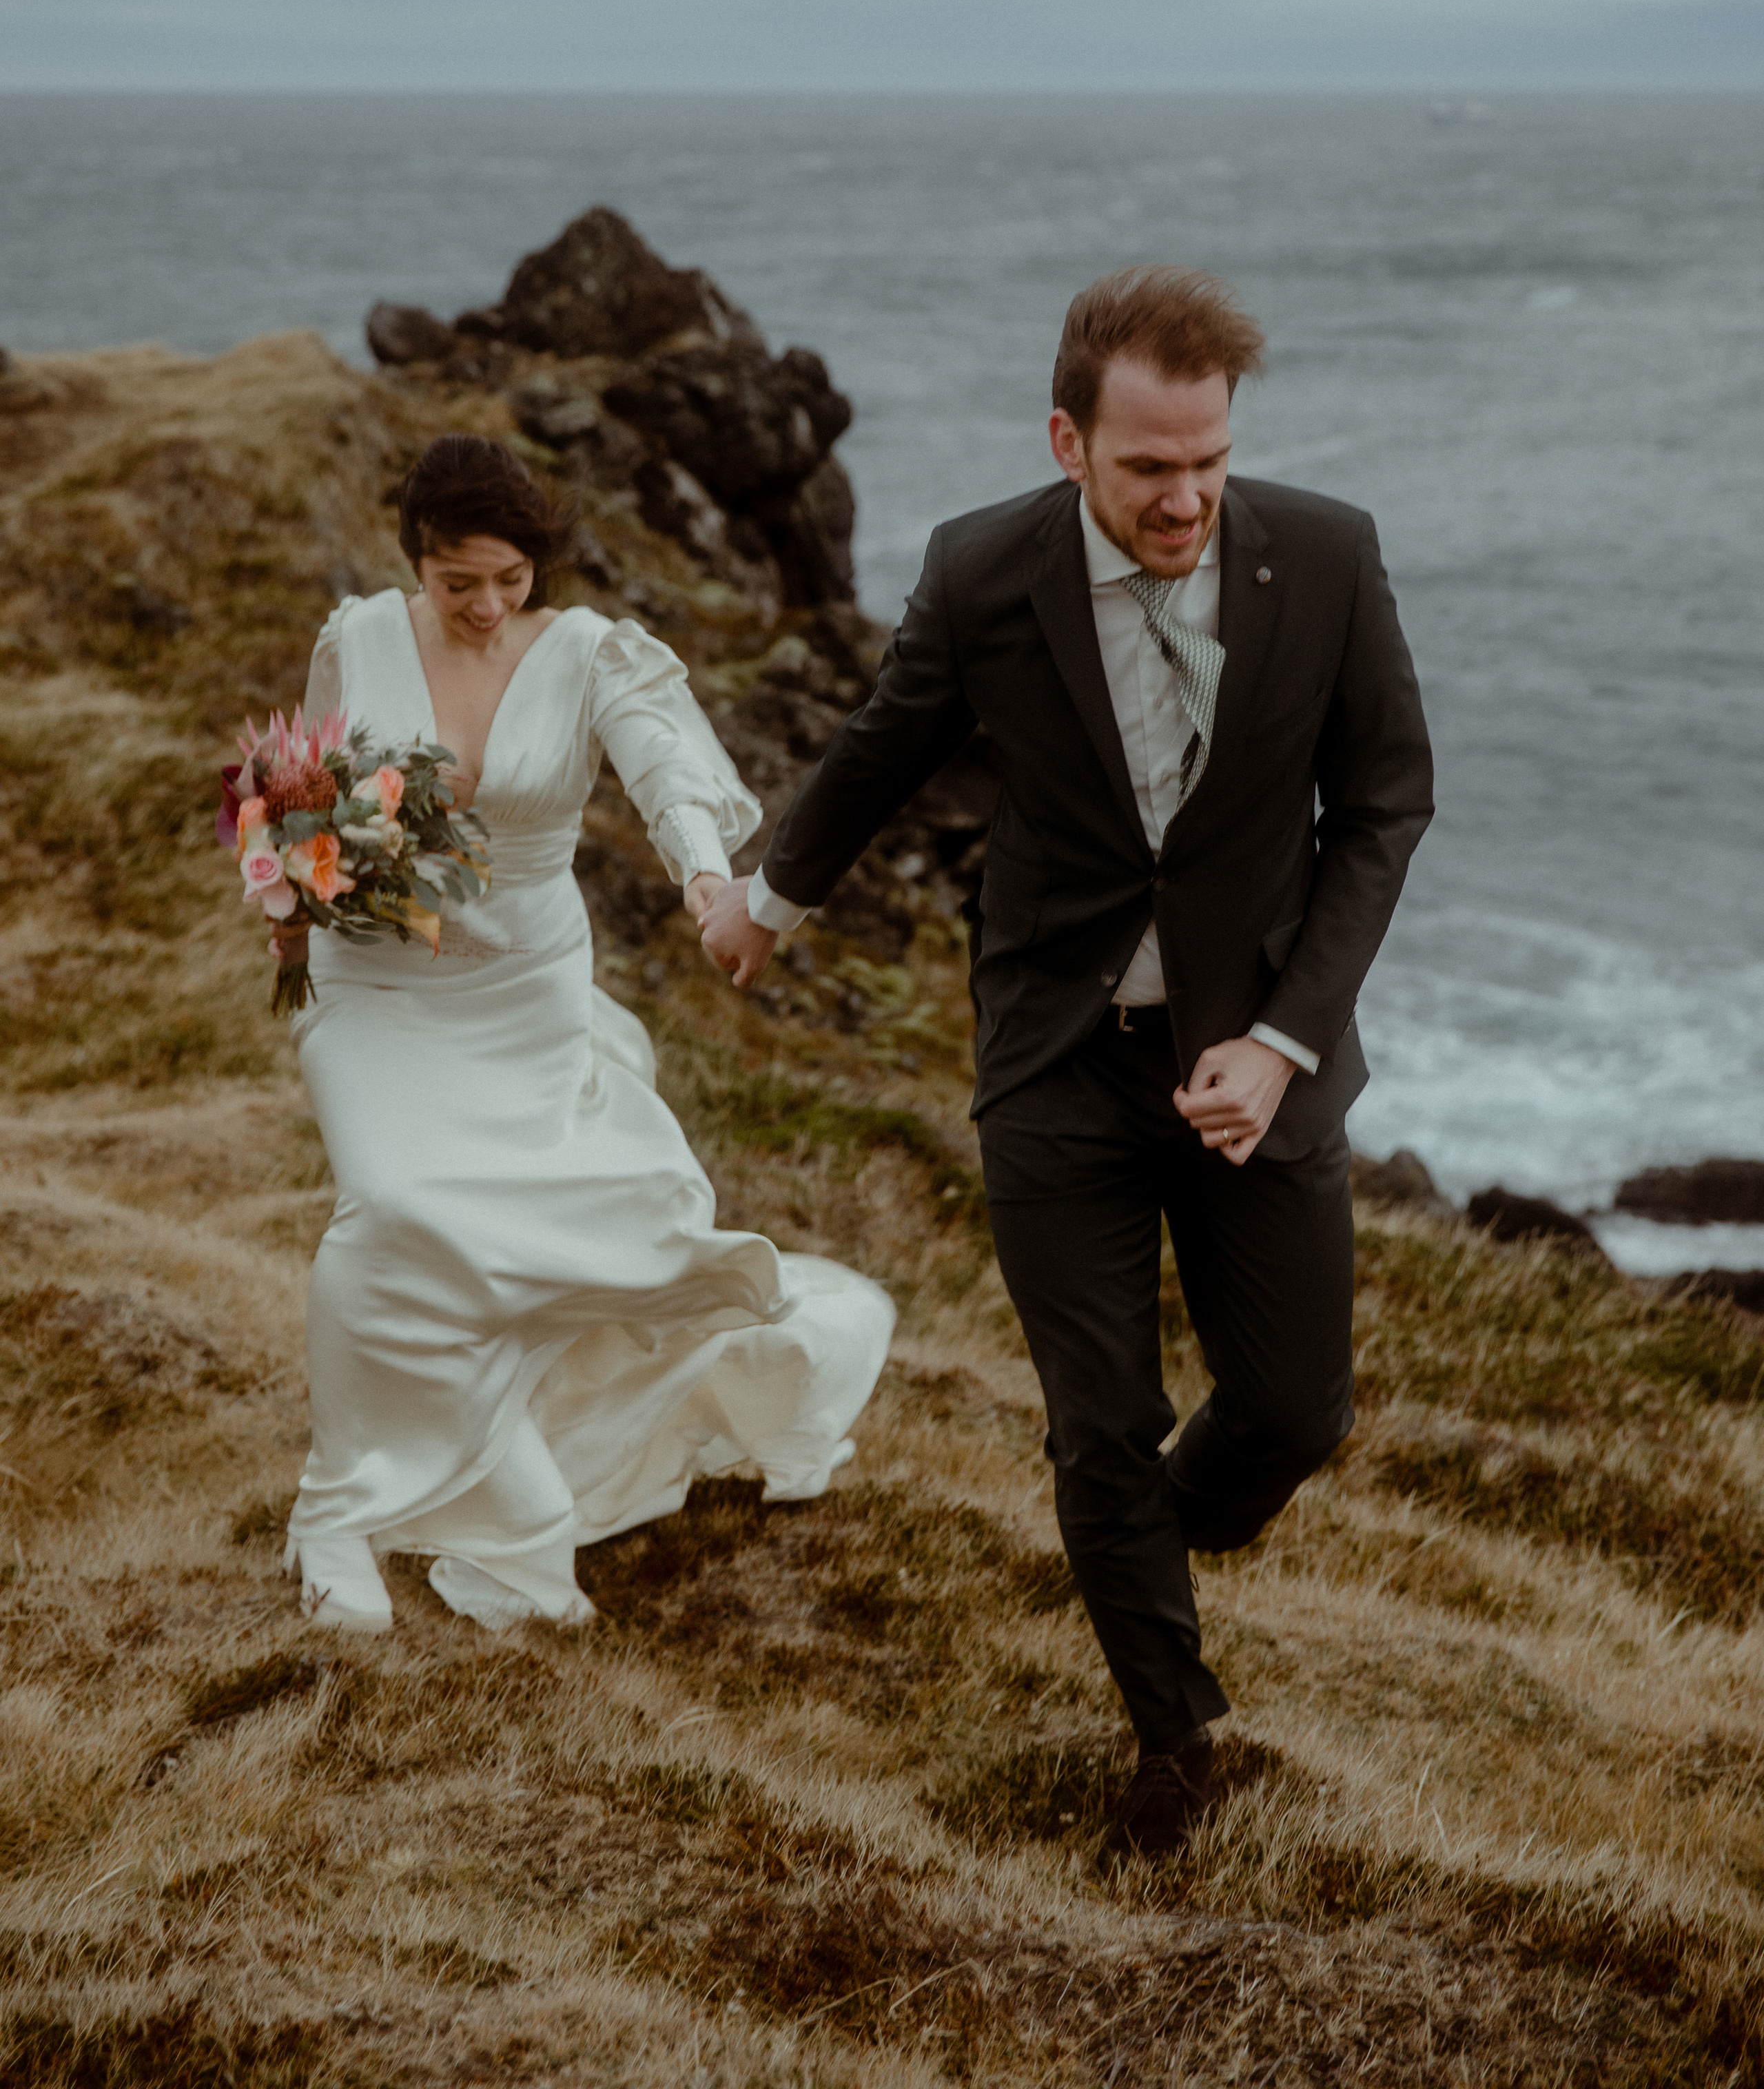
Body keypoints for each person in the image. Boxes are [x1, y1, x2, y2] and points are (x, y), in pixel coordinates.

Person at [699, 267, 1433, 1855]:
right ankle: (1175, 1744)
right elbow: (883, 743)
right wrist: (766, 902)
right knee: (1094, 1422)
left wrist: (1284, 1038)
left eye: (1207, 463)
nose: (1184, 500)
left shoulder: (1324, 555)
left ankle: (1139, 1542)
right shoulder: (979, 572)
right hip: (1055, 1057)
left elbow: (1380, 809)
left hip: (1259, 1060)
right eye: (1147, 468)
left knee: (1293, 1413)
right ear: (1066, 442)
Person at [283, 433, 894, 1634]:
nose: (487, 605)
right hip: (372, 986)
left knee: (540, 1237)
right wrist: (296, 894)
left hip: (522, 996)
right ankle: (337, 1518)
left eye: (510, 579)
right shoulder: (355, 640)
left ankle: (498, 1476)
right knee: (390, 1213)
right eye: (460, 582)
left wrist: (708, 880)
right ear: (418, 560)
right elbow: (309, 797)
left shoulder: (586, 651)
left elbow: (664, 763)